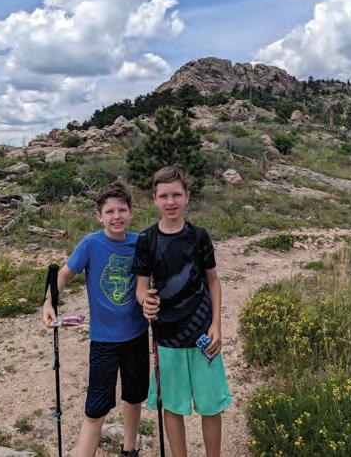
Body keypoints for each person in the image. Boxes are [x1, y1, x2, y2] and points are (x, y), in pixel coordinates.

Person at [43, 181, 149, 457]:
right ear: (99, 216)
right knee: (96, 409)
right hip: (104, 342)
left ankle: (129, 449)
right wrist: (49, 301)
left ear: (131, 212)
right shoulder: (90, 244)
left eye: (122, 210)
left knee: (134, 397)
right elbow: (63, 274)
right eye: (110, 211)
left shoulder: (141, 243)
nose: (117, 216)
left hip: (137, 336)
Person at [133, 165, 231, 457]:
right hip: (166, 338)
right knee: (172, 406)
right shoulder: (146, 240)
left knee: (211, 406)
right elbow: (141, 289)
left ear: (187, 196)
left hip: (204, 336)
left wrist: (217, 324)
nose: (170, 201)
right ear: (154, 199)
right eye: (164, 196)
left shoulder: (199, 236)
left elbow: (213, 281)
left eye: (176, 194)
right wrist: (145, 302)